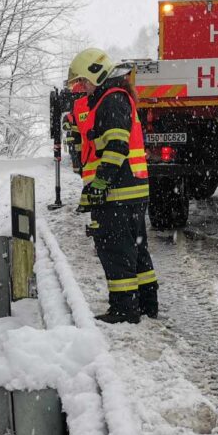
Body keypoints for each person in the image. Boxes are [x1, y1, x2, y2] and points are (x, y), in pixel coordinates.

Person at [70, 47, 158, 324]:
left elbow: (116, 148)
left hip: (117, 191)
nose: (81, 87)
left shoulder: (110, 100)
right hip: (131, 190)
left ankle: (124, 309)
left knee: (116, 251)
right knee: (136, 249)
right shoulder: (117, 97)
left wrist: (99, 184)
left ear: (96, 75)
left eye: (83, 81)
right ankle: (147, 303)